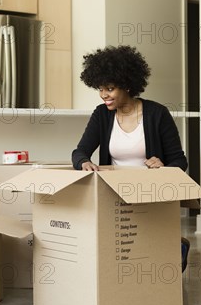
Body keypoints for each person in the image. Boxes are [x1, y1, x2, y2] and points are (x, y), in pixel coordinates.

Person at [71, 45, 191, 271]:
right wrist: (84, 162)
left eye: (110, 88)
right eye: (100, 88)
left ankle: (177, 245)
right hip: (115, 192)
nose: (104, 95)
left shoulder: (157, 114)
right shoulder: (101, 115)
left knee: (148, 250)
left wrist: (163, 166)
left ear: (127, 84)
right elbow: (79, 152)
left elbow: (180, 161)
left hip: (150, 192)